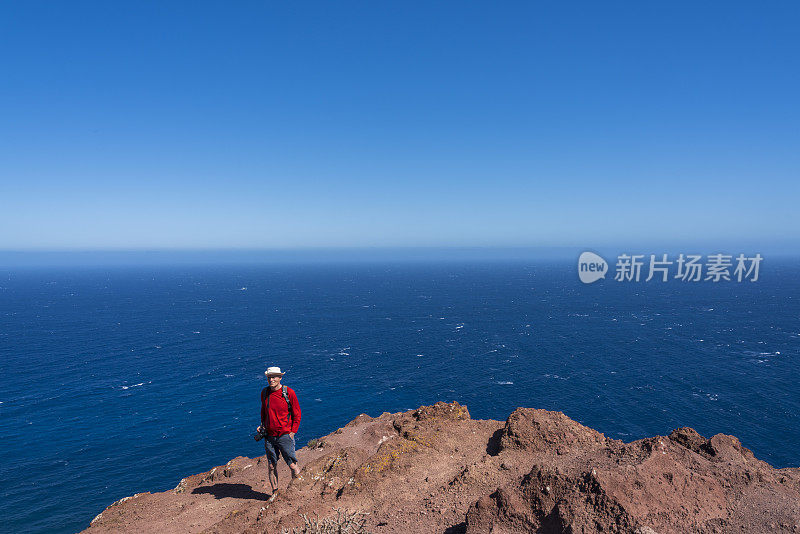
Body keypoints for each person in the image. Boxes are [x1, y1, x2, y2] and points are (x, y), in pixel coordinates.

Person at [256, 366, 302, 497]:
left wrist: (292, 432)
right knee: (271, 466)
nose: (271, 380)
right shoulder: (264, 392)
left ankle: (298, 490)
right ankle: (275, 493)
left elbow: (297, 414)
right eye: (269, 377)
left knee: (292, 465)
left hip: (284, 435)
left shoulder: (289, 393)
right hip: (269, 436)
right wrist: (262, 425)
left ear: (280, 377)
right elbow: (264, 412)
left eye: (274, 377)